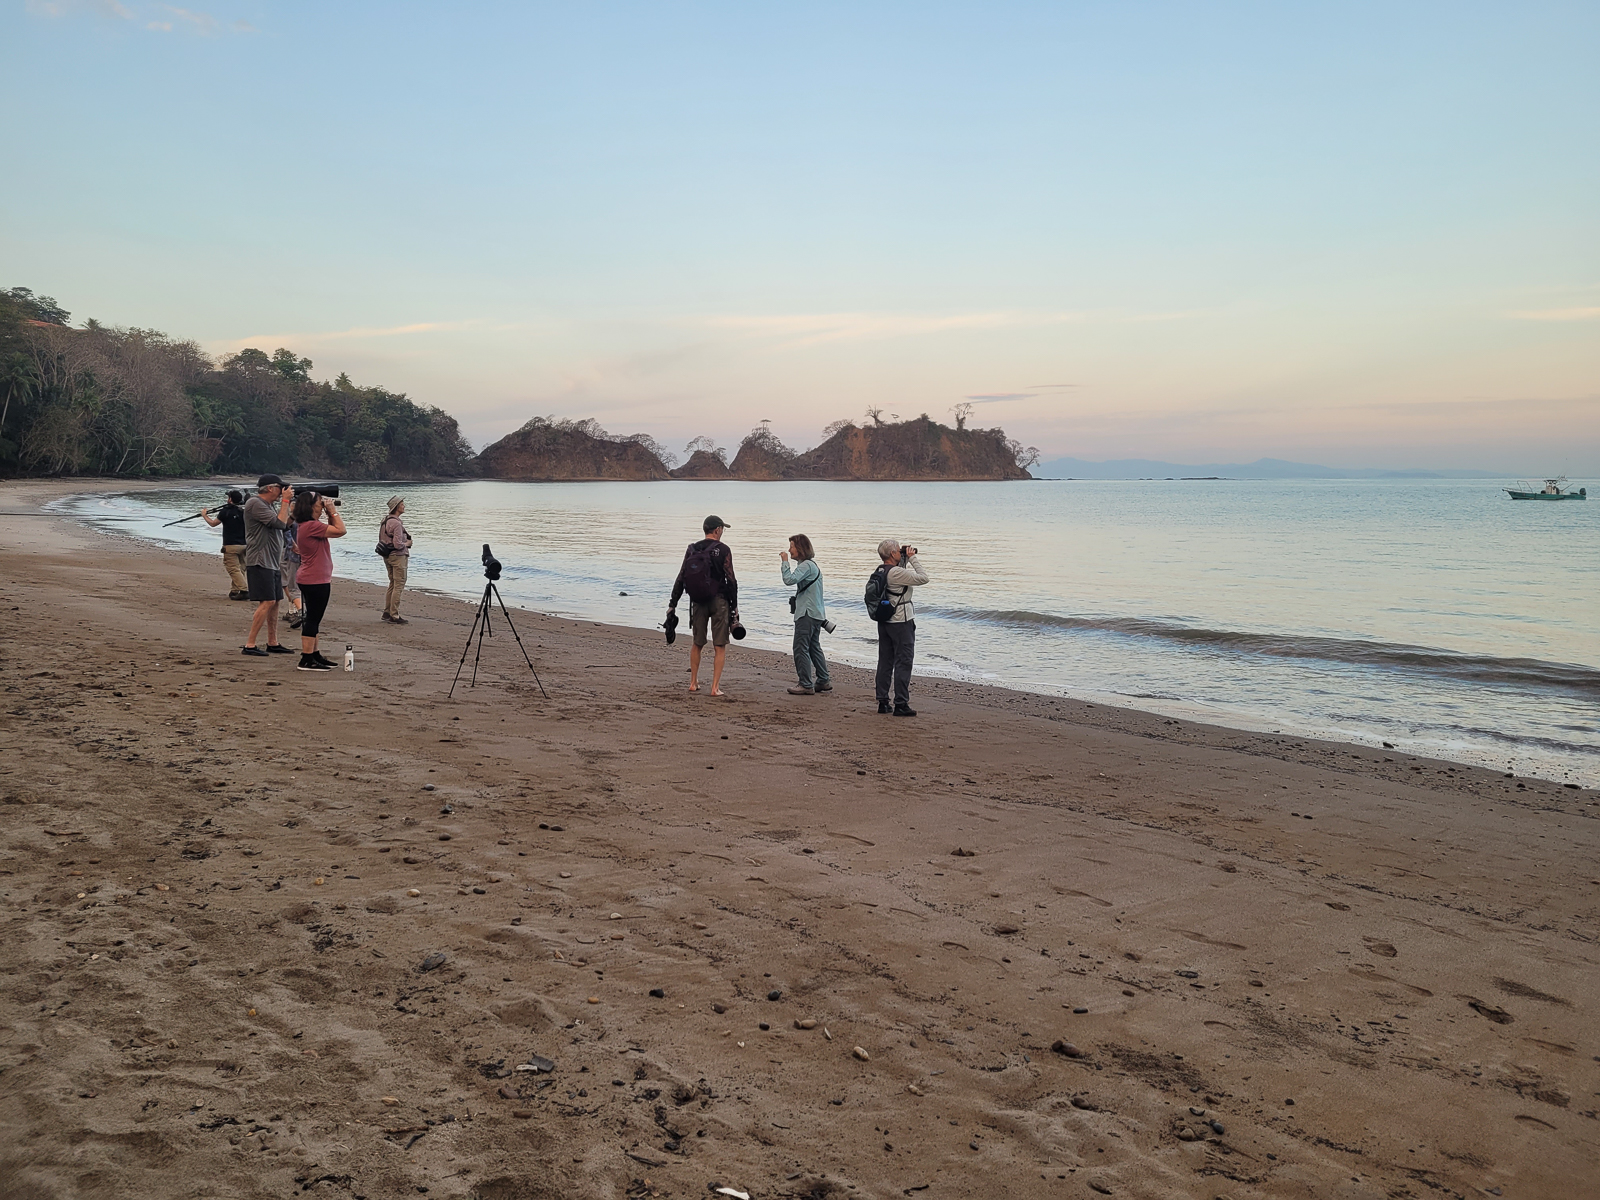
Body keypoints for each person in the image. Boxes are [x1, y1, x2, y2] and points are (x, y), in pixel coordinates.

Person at [668, 515, 739, 697]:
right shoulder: (723, 550)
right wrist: (735, 606)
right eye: (722, 529)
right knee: (719, 645)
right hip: (719, 601)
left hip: (697, 601)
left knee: (697, 643)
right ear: (717, 530)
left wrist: (672, 604)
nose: (722, 532)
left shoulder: (692, 549)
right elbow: (730, 579)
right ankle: (715, 688)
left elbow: (681, 577)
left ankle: (693, 683)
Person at [241, 475, 296, 657]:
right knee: (267, 601)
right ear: (270, 488)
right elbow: (278, 523)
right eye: (280, 488)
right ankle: (250, 644)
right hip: (259, 559)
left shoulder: (269, 505)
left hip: (272, 561)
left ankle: (273, 642)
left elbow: (283, 525)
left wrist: (294, 513)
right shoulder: (255, 503)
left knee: (275, 601)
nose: (282, 492)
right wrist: (286, 501)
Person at [292, 488, 346, 671]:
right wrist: (333, 511)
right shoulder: (311, 526)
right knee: (313, 619)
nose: (322, 504)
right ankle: (306, 658)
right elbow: (341, 530)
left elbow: (333, 530)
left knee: (314, 619)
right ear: (311, 506)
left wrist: (329, 514)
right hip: (315, 579)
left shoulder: (309, 525)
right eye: (319, 502)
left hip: (312, 577)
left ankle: (314, 654)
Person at [874, 538, 928, 716]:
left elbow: (900, 575)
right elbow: (923, 578)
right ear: (892, 554)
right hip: (901, 622)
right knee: (904, 662)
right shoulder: (897, 573)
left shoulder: (882, 570)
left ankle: (883, 701)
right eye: (898, 550)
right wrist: (912, 558)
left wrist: (903, 558)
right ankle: (901, 703)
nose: (900, 552)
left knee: (885, 661)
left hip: (885, 621)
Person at [780, 533, 831, 696]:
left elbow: (789, 580)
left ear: (800, 548)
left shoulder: (806, 566)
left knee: (800, 647)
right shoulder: (811, 565)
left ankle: (805, 684)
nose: (790, 550)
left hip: (807, 613)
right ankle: (823, 680)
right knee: (814, 646)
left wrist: (785, 562)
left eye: (792, 547)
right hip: (816, 613)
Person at [200, 490, 250, 599]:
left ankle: (244, 590)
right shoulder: (244, 511)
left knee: (233, 568)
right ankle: (235, 591)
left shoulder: (225, 512)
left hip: (231, 545)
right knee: (241, 567)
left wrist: (204, 515)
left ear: (230, 499)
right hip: (244, 544)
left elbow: (213, 524)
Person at [379, 495, 413, 624]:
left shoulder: (385, 521)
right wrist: (407, 544)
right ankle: (394, 615)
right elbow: (398, 544)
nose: (404, 506)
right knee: (399, 584)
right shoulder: (397, 523)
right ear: (397, 507)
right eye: (402, 504)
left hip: (387, 556)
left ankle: (387, 612)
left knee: (392, 584)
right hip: (398, 556)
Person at [279, 514, 304, 630]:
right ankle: (293, 610)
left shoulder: (290, 519)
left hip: (289, 553)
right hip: (307, 556)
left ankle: (297, 610)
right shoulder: (311, 519)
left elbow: (284, 528)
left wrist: (291, 544)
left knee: (289, 584)